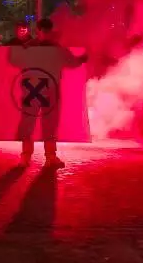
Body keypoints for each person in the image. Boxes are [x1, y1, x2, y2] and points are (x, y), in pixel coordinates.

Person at [9, 17, 86, 169]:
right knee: (49, 122)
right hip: (50, 88)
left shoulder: (29, 47)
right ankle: (49, 156)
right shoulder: (56, 48)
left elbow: (14, 60)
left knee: (29, 121)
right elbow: (72, 62)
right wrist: (83, 58)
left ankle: (26, 157)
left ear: (38, 30)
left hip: (32, 89)